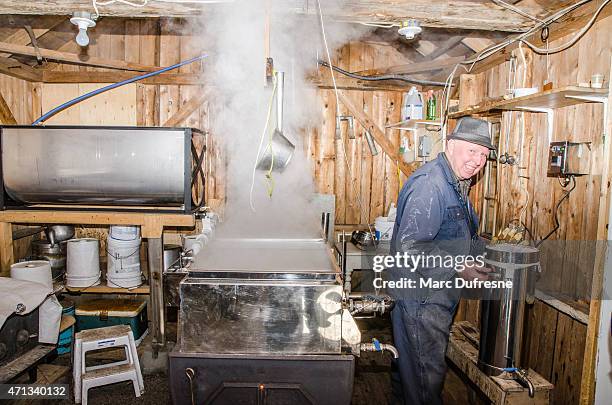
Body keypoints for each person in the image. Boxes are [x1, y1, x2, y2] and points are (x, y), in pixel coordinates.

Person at [387, 116, 496, 405]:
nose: (477, 160)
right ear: (450, 145)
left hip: (432, 298)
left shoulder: (457, 183)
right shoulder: (431, 185)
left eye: (484, 155)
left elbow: (455, 234)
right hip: (421, 302)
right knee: (425, 384)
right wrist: (459, 266)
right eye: (471, 150)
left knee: (408, 379)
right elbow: (411, 247)